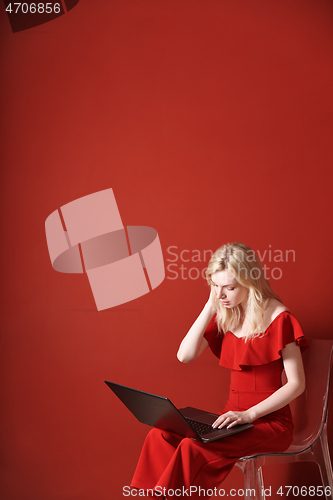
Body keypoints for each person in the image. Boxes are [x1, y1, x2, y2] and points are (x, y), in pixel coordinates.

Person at [130, 242, 308, 499]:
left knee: (191, 448)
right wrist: (210, 305)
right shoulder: (227, 313)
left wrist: (249, 414)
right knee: (159, 435)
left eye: (229, 287)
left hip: (269, 423)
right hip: (230, 420)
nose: (220, 294)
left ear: (250, 282)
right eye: (215, 285)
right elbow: (185, 355)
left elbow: (296, 384)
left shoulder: (279, 317)